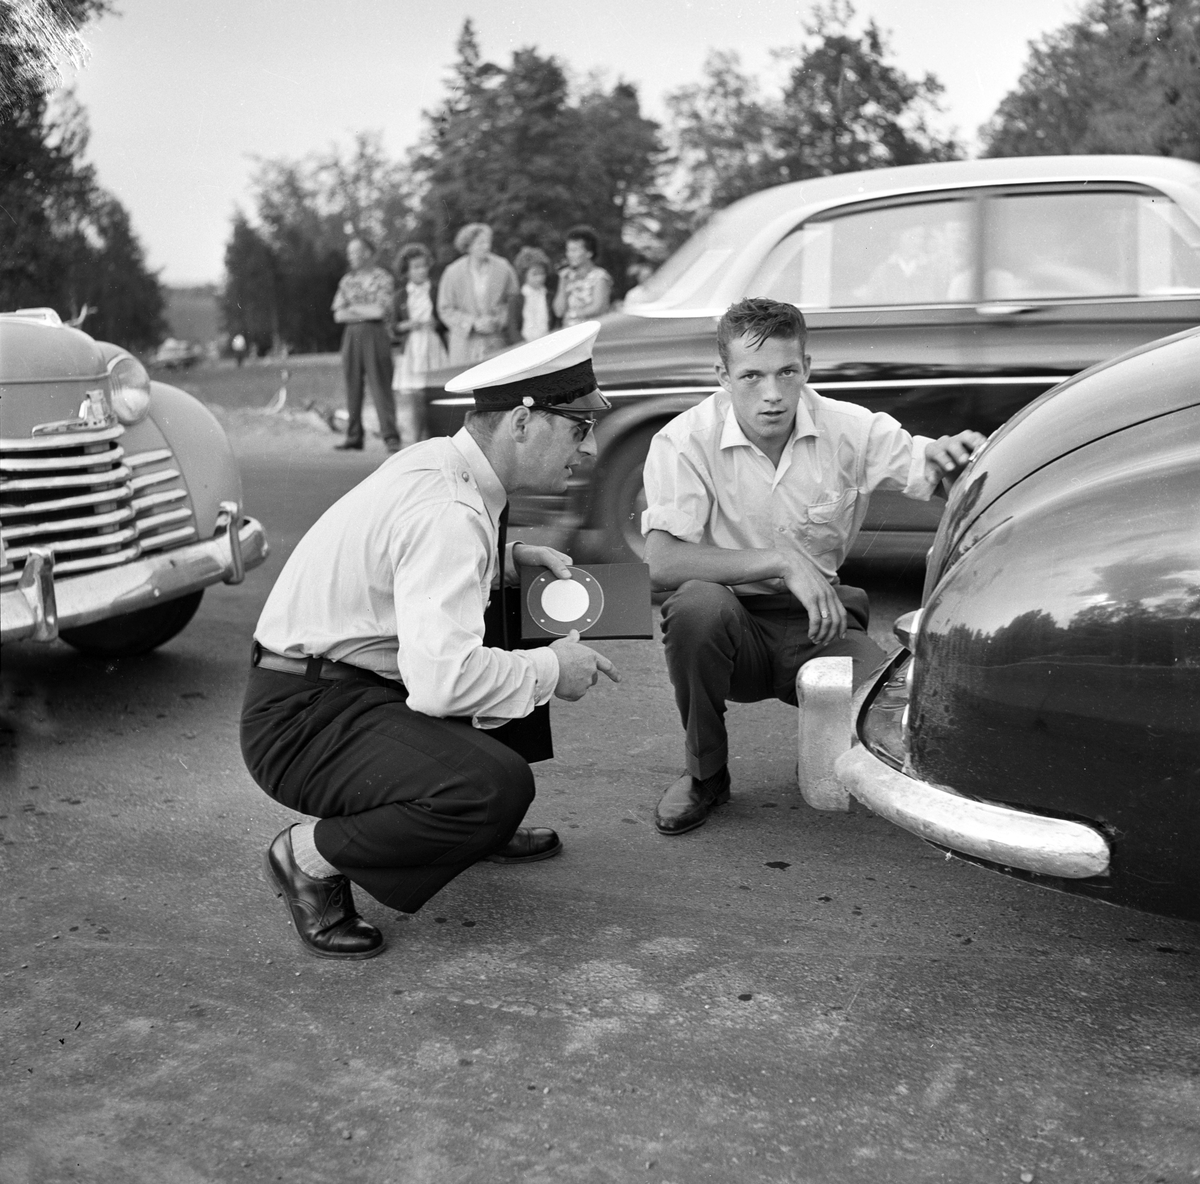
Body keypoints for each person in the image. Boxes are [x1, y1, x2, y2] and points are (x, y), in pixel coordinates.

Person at [241, 321, 619, 960]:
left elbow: (412, 570)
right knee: (493, 788)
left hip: (339, 683)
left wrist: (509, 558)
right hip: (301, 720)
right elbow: (442, 681)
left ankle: (469, 829)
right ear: (522, 424)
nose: (587, 448)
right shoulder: (448, 511)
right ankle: (307, 856)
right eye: (578, 428)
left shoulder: (448, 466)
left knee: (506, 604)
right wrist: (554, 668)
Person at [641, 297, 985, 836]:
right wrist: (782, 561)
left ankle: (830, 737)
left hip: (820, 623)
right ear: (722, 375)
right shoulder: (683, 440)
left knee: (895, 726)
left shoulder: (853, 428)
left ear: (808, 368)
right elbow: (662, 561)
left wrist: (959, 460)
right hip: (733, 627)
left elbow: (937, 473)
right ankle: (705, 773)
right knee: (695, 606)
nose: (772, 394)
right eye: (751, 376)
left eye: (787, 372)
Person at [331, 235, 399, 453]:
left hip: (376, 334)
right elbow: (338, 315)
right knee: (352, 384)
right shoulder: (347, 280)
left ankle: (390, 435)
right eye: (350, 253)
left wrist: (353, 307)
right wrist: (364, 310)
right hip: (351, 336)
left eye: (356, 252)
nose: (351, 257)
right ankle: (354, 435)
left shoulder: (383, 278)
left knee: (380, 384)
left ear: (368, 253)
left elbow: (380, 311)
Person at [437, 223, 520, 366]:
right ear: (468, 246)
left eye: (488, 241)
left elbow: (514, 300)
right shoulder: (452, 272)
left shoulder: (503, 267)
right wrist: (472, 323)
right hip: (465, 345)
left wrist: (497, 320)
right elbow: (445, 308)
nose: (486, 246)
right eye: (480, 243)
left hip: (496, 340)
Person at [392, 242, 448, 448]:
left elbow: (445, 318)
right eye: (415, 267)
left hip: (432, 344)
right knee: (414, 395)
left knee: (433, 390)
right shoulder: (400, 296)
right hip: (412, 347)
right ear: (406, 271)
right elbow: (393, 326)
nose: (421, 270)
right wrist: (407, 324)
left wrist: (436, 323)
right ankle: (416, 441)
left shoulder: (434, 290)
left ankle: (434, 438)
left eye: (424, 266)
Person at [553, 225, 612, 327]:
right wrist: (562, 282)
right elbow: (559, 312)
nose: (569, 254)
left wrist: (573, 314)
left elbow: (598, 307)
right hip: (569, 333)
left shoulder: (600, 277)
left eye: (574, 250)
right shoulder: (568, 277)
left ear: (589, 253)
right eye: (568, 250)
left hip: (592, 333)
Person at [507, 246, 555, 343]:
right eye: (535, 274)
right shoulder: (517, 299)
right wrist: (521, 345)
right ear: (525, 274)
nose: (539, 278)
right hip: (524, 346)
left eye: (542, 274)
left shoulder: (549, 296)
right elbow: (513, 327)